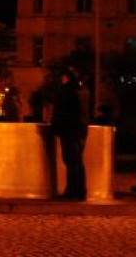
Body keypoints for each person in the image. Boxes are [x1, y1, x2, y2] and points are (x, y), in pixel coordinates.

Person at [52, 67, 89, 201]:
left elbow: (62, 111)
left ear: (66, 78)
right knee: (77, 160)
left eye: (63, 77)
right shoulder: (83, 90)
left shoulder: (68, 91)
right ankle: (78, 190)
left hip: (69, 129)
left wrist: (56, 125)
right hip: (81, 129)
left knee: (72, 160)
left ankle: (74, 191)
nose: (62, 80)